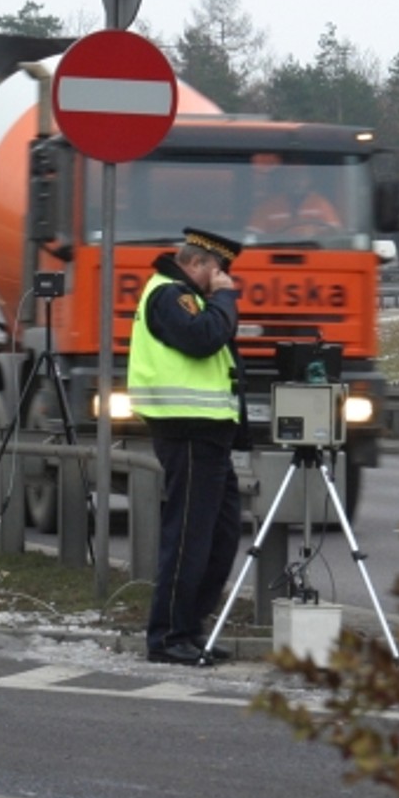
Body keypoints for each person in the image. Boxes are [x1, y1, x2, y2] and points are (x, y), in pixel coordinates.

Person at [128, 227, 246, 665]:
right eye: (218, 272)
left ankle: (190, 628)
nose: (223, 281)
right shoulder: (169, 294)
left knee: (220, 537)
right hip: (188, 431)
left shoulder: (188, 297)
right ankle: (168, 636)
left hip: (210, 431)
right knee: (187, 540)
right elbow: (202, 340)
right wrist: (224, 298)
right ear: (196, 263)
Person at [248, 165, 342, 238]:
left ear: (309, 180)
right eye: (292, 177)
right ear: (283, 180)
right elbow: (252, 234)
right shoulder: (268, 207)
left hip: (314, 252)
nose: (296, 181)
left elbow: (335, 232)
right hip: (277, 253)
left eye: (300, 176)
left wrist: (315, 231)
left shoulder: (321, 204)